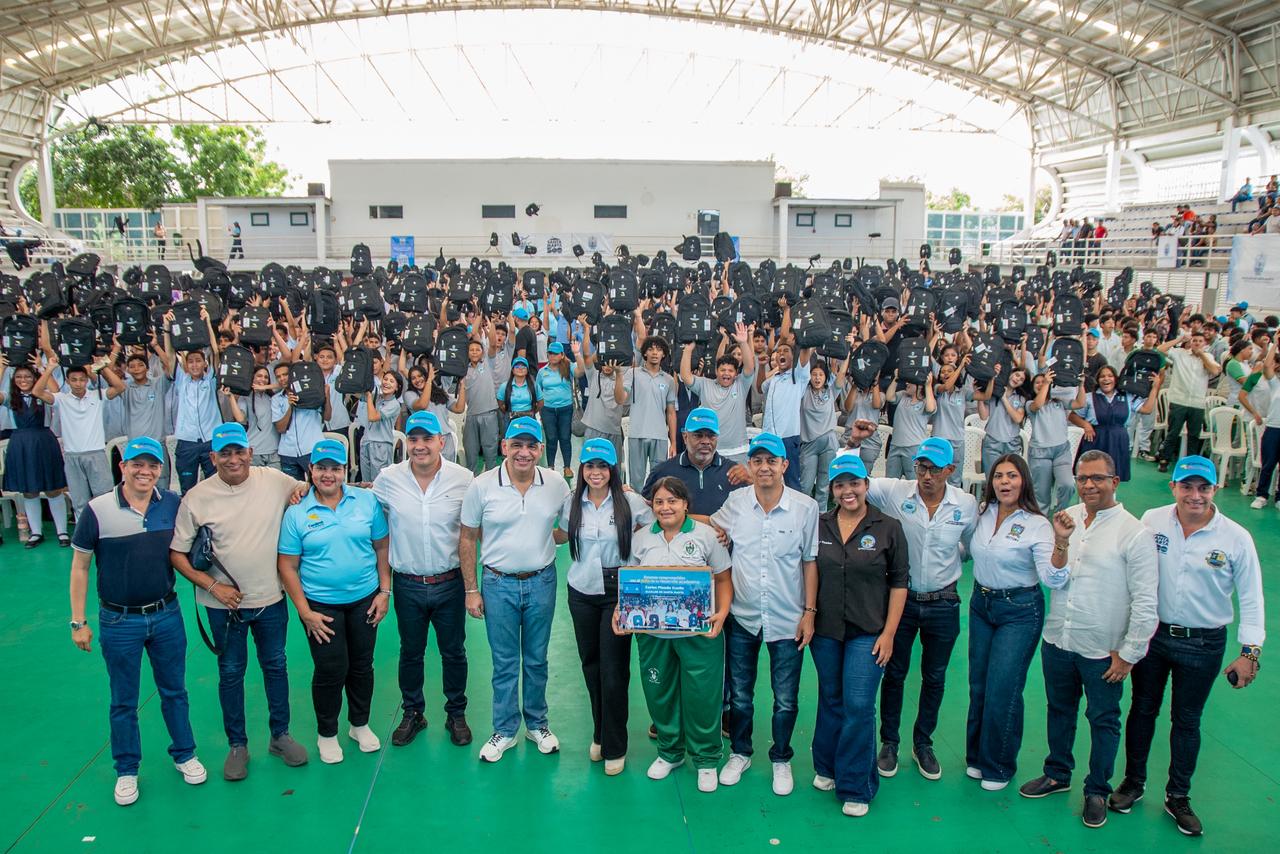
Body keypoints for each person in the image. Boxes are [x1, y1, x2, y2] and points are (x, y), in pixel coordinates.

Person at [1111, 456, 1266, 836]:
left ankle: (1177, 795)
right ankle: (1133, 782)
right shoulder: (1152, 520)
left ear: (1215, 490)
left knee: (1187, 720)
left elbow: (1251, 598)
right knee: (1142, 709)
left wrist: (1250, 652)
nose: (1195, 496)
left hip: (1204, 643)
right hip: (1154, 635)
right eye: (1187, 487)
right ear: (1173, 487)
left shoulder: (1235, 538)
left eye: (1203, 488)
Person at [1018, 450, 1158, 829]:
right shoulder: (1068, 520)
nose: (1089, 485)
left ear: (1115, 481)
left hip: (1104, 650)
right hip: (1060, 639)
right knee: (1059, 709)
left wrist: (1129, 654)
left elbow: (1146, 601)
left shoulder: (1134, 533)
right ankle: (1057, 772)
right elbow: (1052, 579)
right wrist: (1061, 542)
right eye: (1082, 478)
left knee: (1103, 719)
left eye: (1097, 478)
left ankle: (1097, 788)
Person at [69, 436, 205, 806]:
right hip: (119, 621)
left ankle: (185, 754)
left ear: (161, 469)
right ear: (123, 467)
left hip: (166, 615)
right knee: (123, 700)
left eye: (153, 465)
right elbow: (80, 566)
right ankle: (127, 770)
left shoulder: (173, 504)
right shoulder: (97, 510)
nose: (145, 471)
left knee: (174, 691)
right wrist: (78, 621)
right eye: (137, 464)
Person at [170, 422, 310, 780]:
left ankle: (280, 735)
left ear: (250, 452)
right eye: (225, 453)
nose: (233, 459)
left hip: (270, 599)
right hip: (223, 608)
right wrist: (212, 587)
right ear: (213, 457)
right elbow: (178, 554)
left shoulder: (273, 480)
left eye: (239, 451)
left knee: (275, 666)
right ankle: (238, 744)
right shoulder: (197, 497)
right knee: (231, 673)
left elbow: (302, 487)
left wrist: (302, 489)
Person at [852, 435, 979, 781]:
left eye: (935, 469)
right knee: (893, 673)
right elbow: (854, 479)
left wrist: (955, 560)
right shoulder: (896, 491)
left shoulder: (965, 504)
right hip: (902, 602)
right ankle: (889, 742)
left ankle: (923, 743)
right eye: (922, 467)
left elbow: (973, 542)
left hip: (944, 602)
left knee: (934, 677)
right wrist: (853, 444)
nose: (926, 475)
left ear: (950, 470)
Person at [710, 432, 819, 796]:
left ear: (784, 465)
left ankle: (781, 758)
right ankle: (740, 752)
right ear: (750, 466)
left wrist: (809, 612)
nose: (764, 467)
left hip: (787, 620)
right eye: (757, 461)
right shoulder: (737, 502)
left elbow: (809, 563)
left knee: (785, 697)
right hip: (743, 617)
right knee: (740, 694)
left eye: (771, 460)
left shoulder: (806, 508)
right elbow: (712, 524)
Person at [460, 416, 572, 762]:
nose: (524, 453)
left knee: (537, 659)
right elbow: (467, 537)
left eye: (531, 446)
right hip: (497, 584)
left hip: (541, 582)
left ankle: (537, 724)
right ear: (504, 446)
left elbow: (566, 530)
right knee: (505, 661)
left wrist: (538, 541)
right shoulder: (481, 485)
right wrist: (471, 589)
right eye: (517, 445)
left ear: (541, 449)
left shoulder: (556, 484)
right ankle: (505, 730)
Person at [277, 439, 391, 764]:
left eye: (335, 468)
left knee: (361, 664)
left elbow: (382, 547)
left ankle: (359, 724)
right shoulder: (297, 514)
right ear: (310, 470)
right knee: (330, 668)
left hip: (365, 599)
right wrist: (305, 612)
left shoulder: (365, 502)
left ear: (345, 471)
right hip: (319, 605)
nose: (328, 475)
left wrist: (384, 591)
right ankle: (327, 733)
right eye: (322, 468)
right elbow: (287, 565)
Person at [810, 453, 909, 817]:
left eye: (854, 483)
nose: (847, 491)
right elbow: (811, 572)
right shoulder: (820, 525)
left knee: (858, 703)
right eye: (840, 484)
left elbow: (900, 583)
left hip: (869, 631)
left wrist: (889, 633)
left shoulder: (888, 527)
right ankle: (827, 766)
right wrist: (809, 616)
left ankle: (856, 785)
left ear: (867, 485)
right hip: (827, 629)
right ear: (832, 489)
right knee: (831, 698)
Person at [967, 453, 1072, 791]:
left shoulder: (1037, 524)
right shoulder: (983, 514)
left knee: (1003, 687)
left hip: (1019, 611)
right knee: (979, 684)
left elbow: (1054, 578)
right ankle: (976, 757)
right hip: (981, 604)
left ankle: (998, 765)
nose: (1004, 483)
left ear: (1024, 480)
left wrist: (1061, 542)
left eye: (1012, 476)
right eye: (998, 476)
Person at [371, 411, 475, 749]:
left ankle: (456, 713)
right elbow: (364, 508)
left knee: (453, 651)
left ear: (441, 442)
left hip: (449, 582)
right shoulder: (387, 479)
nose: (420, 446)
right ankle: (413, 712)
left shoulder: (464, 479)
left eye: (427, 439)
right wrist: (300, 489)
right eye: (413, 439)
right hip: (408, 583)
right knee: (411, 652)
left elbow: (477, 526)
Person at [628, 476, 734, 793]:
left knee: (703, 696)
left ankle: (705, 758)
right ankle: (670, 752)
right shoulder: (642, 538)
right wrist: (625, 613)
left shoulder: (706, 536)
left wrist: (722, 613)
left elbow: (724, 580)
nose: (666, 507)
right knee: (659, 693)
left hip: (700, 633)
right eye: (659, 502)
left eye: (672, 501)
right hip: (653, 634)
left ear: (686, 504)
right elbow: (631, 584)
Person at [553, 438, 652, 775]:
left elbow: (655, 527)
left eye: (602, 466)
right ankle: (599, 732)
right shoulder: (571, 504)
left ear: (613, 469)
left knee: (614, 672)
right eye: (590, 466)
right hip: (581, 591)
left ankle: (615, 745)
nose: (596, 472)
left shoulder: (630, 502)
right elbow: (557, 533)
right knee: (591, 667)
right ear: (583, 470)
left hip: (617, 595)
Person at [32, 355, 124, 523]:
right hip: (72, 456)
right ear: (67, 381)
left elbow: (119, 386)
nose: (78, 383)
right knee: (79, 501)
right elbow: (37, 392)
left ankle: (106, 531)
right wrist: (50, 369)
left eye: (82, 379)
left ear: (87, 380)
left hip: (96, 454)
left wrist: (102, 367)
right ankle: (84, 535)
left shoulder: (98, 395)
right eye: (74, 380)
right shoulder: (62, 399)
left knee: (104, 498)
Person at [1, 360, 70, 548]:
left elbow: (57, 391)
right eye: (19, 377)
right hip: (21, 443)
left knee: (53, 488)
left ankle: (62, 532)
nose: (23, 380)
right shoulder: (10, 398)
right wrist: (3, 368)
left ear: (34, 378)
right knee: (29, 490)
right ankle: (36, 532)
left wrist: (44, 370)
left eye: (27, 376)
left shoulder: (44, 395)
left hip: (44, 441)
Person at [641, 407, 752, 522]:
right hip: (677, 538)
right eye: (698, 435)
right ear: (685, 437)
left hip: (721, 538)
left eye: (711, 436)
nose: (705, 441)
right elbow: (645, 512)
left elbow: (756, 512)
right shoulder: (663, 472)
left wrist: (751, 480)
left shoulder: (735, 473)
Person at [161, 307, 221, 493]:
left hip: (210, 440)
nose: (195, 364)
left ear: (204, 363)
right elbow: (170, 355)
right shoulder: (182, 380)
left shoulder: (211, 379)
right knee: (188, 489)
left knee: (214, 487)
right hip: (186, 442)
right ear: (186, 364)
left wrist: (207, 323)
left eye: (198, 360)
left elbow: (215, 351)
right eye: (191, 361)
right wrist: (167, 328)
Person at [679, 323, 756, 463]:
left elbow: (750, 367)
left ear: (736, 373)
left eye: (731, 370)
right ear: (716, 371)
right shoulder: (704, 384)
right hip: (711, 453)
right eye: (723, 370)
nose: (726, 373)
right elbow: (685, 376)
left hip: (739, 451)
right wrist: (688, 350)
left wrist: (744, 342)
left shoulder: (741, 384)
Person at [1076, 365, 1160, 482]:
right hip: (1095, 440)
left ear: (1116, 379)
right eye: (1102, 376)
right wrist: (1085, 424)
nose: (1106, 379)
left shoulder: (1127, 396)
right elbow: (1073, 416)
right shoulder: (1089, 397)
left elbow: (1147, 409)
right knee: (1092, 476)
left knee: (1113, 478)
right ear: (1098, 380)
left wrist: (1155, 388)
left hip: (1118, 441)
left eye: (1110, 376)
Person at [1155, 330, 1220, 472]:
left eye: (1200, 341)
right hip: (1179, 400)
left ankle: (1191, 464)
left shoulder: (1208, 356)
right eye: (1194, 341)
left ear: (1205, 344)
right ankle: (1164, 460)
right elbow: (1160, 349)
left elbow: (1215, 371)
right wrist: (1179, 339)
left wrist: (1201, 355)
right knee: (1173, 432)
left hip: (1197, 403)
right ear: (1190, 342)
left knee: (1194, 435)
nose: (1196, 343)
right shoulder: (1180, 354)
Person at [619, 335, 678, 486]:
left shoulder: (669, 380)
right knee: (636, 483)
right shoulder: (632, 374)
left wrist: (674, 442)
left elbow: (671, 413)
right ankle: (637, 509)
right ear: (644, 353)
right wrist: (618, 376)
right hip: (637, 434)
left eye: (658, 350)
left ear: (663, 354)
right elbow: (620, 399)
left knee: (659, 482)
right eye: (650, 349)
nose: (654, 353)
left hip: (660, 437)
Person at [1027, 368, 1086, 514]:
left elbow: (1080, 403)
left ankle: (1061, 513)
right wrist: (1046, 383)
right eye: (1037, 383)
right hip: (1040, 453)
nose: (1041, 384)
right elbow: (1038, 404)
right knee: (1041, 494)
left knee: (1068, 485)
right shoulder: (1030, 404)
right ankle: (1042, 521)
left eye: (1043, 381)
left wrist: (1081, 385)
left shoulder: (1059, 402)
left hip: (1061, 451)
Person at [757, 340, 811, 489]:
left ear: (793, 356)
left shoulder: (798, 376)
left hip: (788, 437)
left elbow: (805, 353)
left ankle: (796, 512)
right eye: (779, 351)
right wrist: (762, 366)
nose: (781, 353)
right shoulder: (774, 378)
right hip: (769, 436)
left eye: (786, 351)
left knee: (791, 480)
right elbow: (760, 387)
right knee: (768, 478)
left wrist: (805, 337)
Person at [535, 341, 575, 478]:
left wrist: (576, 354)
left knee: (565, 437)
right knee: (551, 438)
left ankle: (567, 467)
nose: (552, 356)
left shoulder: (568, 367)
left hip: (565, 408)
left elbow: (580, 371)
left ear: (562, 355)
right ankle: (550, 467)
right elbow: (538, 389)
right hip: (548, 409)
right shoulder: (542, 372)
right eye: (550, 353)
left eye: (555, 354)